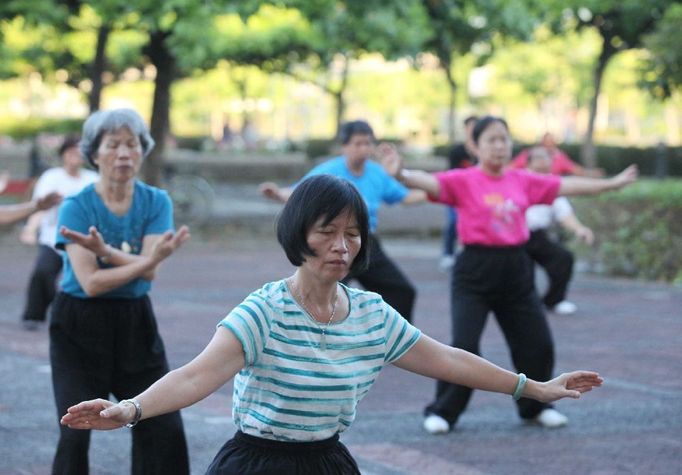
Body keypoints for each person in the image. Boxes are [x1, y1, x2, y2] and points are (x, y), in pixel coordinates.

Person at [60, 174, 604, 475]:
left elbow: (450, 359)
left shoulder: (370, 316)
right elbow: (195, 377)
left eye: (353, 233)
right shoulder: (264, 311)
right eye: (327, 232)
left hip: (327, 464)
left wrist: (533, 387)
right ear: (299, 233)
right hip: (257, 465)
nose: (342, 247)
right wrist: (128, 410)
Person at [381, 115, 636, 434]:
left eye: (504, 138)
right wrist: (402, 173)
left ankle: (536, 407)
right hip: (474, 271)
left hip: (516, 269)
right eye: (491, 139)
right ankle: (444, 411)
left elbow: (567, 185)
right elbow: (429, 182)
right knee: (465, 344)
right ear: (475, 145)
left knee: (537, 343)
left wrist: (612, 183)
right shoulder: (463, 180)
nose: (500, 146)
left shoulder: (523, 180)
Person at [50, 108, 190, 474]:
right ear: (94, 154)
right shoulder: (76, 207)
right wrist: (147, 262)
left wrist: (107, 255)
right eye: (113, 145)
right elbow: (92, 284)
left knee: (163, 425)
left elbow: (148, 276)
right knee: (75, 429)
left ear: (143, 151)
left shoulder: (156, 201)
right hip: (78, 327)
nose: (124, 154)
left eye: (132, 145)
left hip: (135, 324)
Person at [260, 120, 425, 323]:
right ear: (344, 146)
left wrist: (439, 192)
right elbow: (299, 193)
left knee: (402, 292)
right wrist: (277, 194)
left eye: (367, 143)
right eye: (357, 143)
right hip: (332, 243)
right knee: (322, 295)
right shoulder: (329, 171)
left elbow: (405, 197)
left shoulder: (377, 172)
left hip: (364, 243)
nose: (363, 149)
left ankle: (393, 345)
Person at [19, 136, 99, 331]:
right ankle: (34, 314)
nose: (76, 156)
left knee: (82, 279)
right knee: (43, 272)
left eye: (80, 151)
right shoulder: (52, 178)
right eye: (71, 151)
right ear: (63, 154)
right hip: (52, 238)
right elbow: (39, 207)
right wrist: (30, 229)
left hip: (84, 241)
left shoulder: (93, 180)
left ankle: (75, 316)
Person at [525, 146, 594, 316]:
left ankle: (553, 300)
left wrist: (579, 229)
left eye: (546, 157)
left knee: (563, 259)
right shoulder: (517, 180)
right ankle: (523, 304)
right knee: (520, 273)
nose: (543, 161)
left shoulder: (552, 184)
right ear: (529, 163)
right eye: (538, 157)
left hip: (537, 236)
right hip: (514, 237)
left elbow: (564, 213)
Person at [441, 115, 478, 271]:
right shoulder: (457, 151)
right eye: (469, 128)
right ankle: (448, 254)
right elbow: (450, 175)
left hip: (476, 195)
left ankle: (466, 254)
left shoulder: (482, 151)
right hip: (457, 195)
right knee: (453, 222)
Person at [510, 132, 603, 177]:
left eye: (552, 143)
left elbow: (576, 170)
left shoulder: (559, 157)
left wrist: (592, 173)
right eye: (546, 143)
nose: (549, 146)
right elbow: (510, 168)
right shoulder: (529, 154)